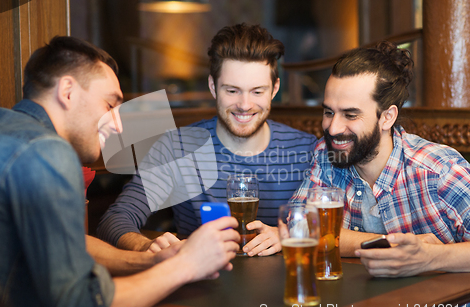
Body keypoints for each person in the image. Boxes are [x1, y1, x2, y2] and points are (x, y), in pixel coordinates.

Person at [0, 36, 240, 307]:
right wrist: (186, 264)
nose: (118, 125)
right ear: (68, 91)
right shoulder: (49, 151)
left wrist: (152, 260)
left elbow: (67, 240)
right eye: (110, 106)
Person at [97, 23, 317, 257]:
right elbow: (115, 219)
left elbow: (335, 226)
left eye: (257, 91)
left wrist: (290, 235)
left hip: (285, 285)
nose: (244, 105)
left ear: (274, 89)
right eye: (232, 91)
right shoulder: (177, 147)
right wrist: (145, 246)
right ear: (213, 87)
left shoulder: (306, 149)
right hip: (202, 284)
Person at [291, 41, 470, 278]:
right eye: (328, 112)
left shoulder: (440, 170)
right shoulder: (327, 154)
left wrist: (429, 258)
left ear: (387, 117)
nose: (333, 128)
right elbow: (299, 227)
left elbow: (316, 234)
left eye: (350, 114)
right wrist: (391, 245)